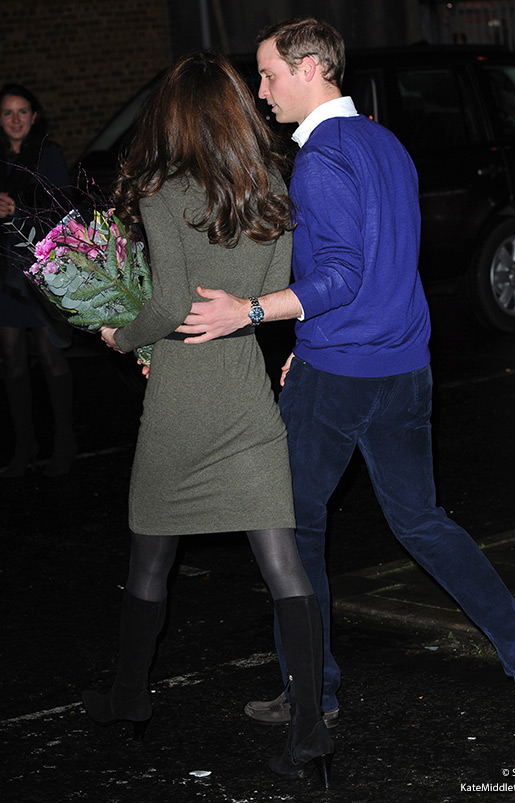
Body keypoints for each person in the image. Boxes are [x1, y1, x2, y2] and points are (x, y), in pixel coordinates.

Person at [175, 17, 515, 743]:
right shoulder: (388, 144)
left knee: (292, 531)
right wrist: (309, 338)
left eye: (269, 74)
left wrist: (251, 311)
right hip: (406, 367)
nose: (261, 92)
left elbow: (341, 275)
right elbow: (388, 267)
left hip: (343, 375)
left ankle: (310, 694)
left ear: (314, 67)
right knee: (421, 519)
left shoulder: (321, 160)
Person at [82, 51, 333, 789]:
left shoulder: (163, 193)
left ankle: (130, 699)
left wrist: (122, 336)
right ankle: (311, 724)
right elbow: (282, 284)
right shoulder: (270, 190)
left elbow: (165, 305)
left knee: (150, 557)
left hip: (184, 393)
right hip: (246, 388)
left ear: (174, 116)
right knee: (283, 564)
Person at [0, 83, 76, 477]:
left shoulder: (47, 154)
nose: (15, 120)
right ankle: (23, 447)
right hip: (4, 274)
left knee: (49, 356)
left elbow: (63, 204)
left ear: (34, 116)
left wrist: (20, 206)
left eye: (22, 112)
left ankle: (64, 444)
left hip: (39, 270)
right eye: (7, 113)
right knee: (12, 362)